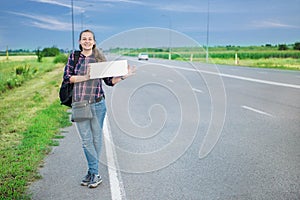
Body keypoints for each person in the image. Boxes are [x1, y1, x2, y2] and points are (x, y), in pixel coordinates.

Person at [62, 29, 134, 188]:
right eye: (84, 39)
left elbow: (109, 81)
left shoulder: (99, 59)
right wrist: (86, 77)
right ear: (80, 42)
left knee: (96, 139)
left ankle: (91, 172)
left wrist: (124, 76)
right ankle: (95, 173)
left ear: (94, 42)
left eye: (90, 39)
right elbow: (68, 78)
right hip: (80, 104)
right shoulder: (74, 58)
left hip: (98, 104)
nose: (87, 41)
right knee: (86, 141)